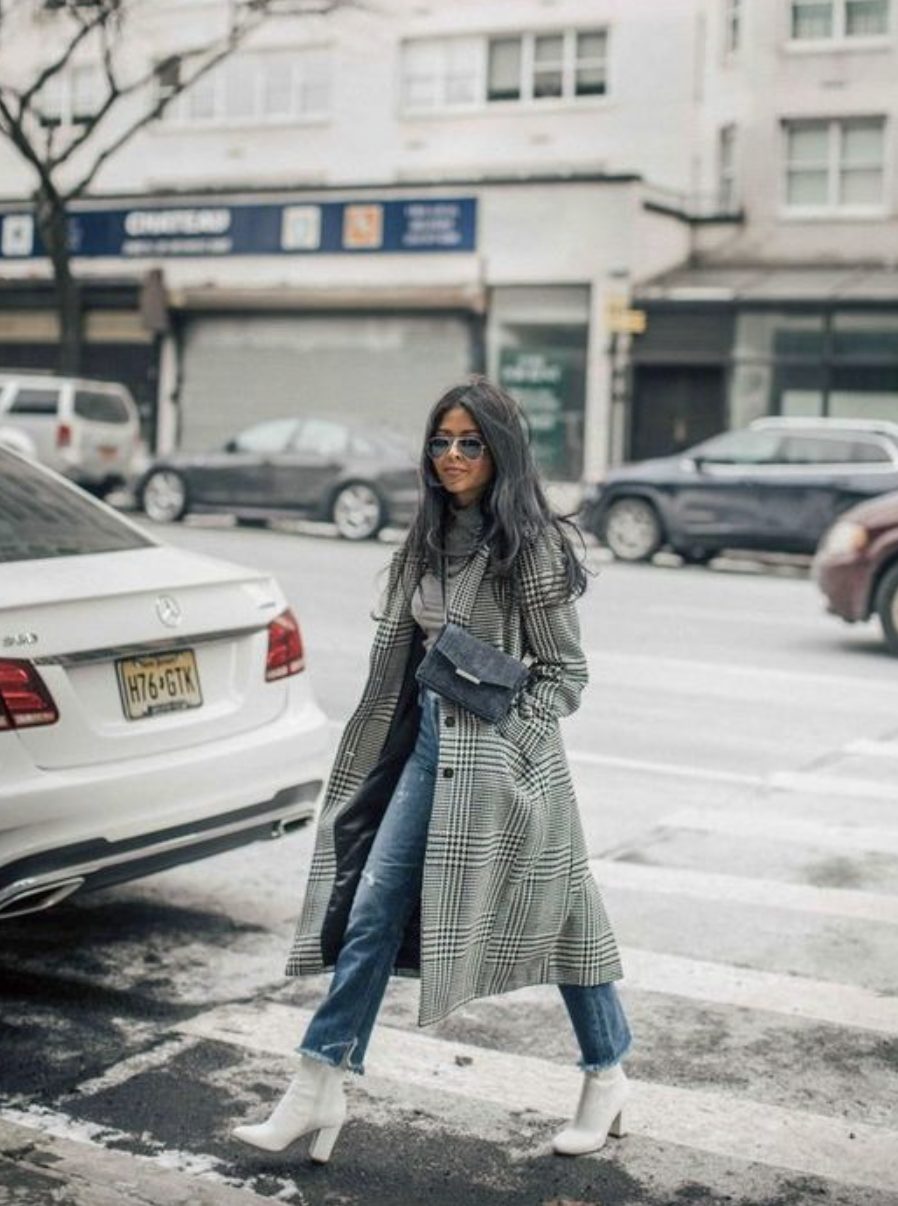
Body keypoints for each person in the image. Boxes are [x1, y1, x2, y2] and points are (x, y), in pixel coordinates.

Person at [232, 377, 631, 1164]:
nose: (451, 456)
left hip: (506, 767)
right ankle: (319, 1083)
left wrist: (505, 729)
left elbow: (565, 677)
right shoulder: (424, 537)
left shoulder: (530, 547)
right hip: (423, 756)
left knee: (565, 914)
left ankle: (606, 1073)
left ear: (500, 452)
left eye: (469, 443)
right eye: (440, 442)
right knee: (373, 911)